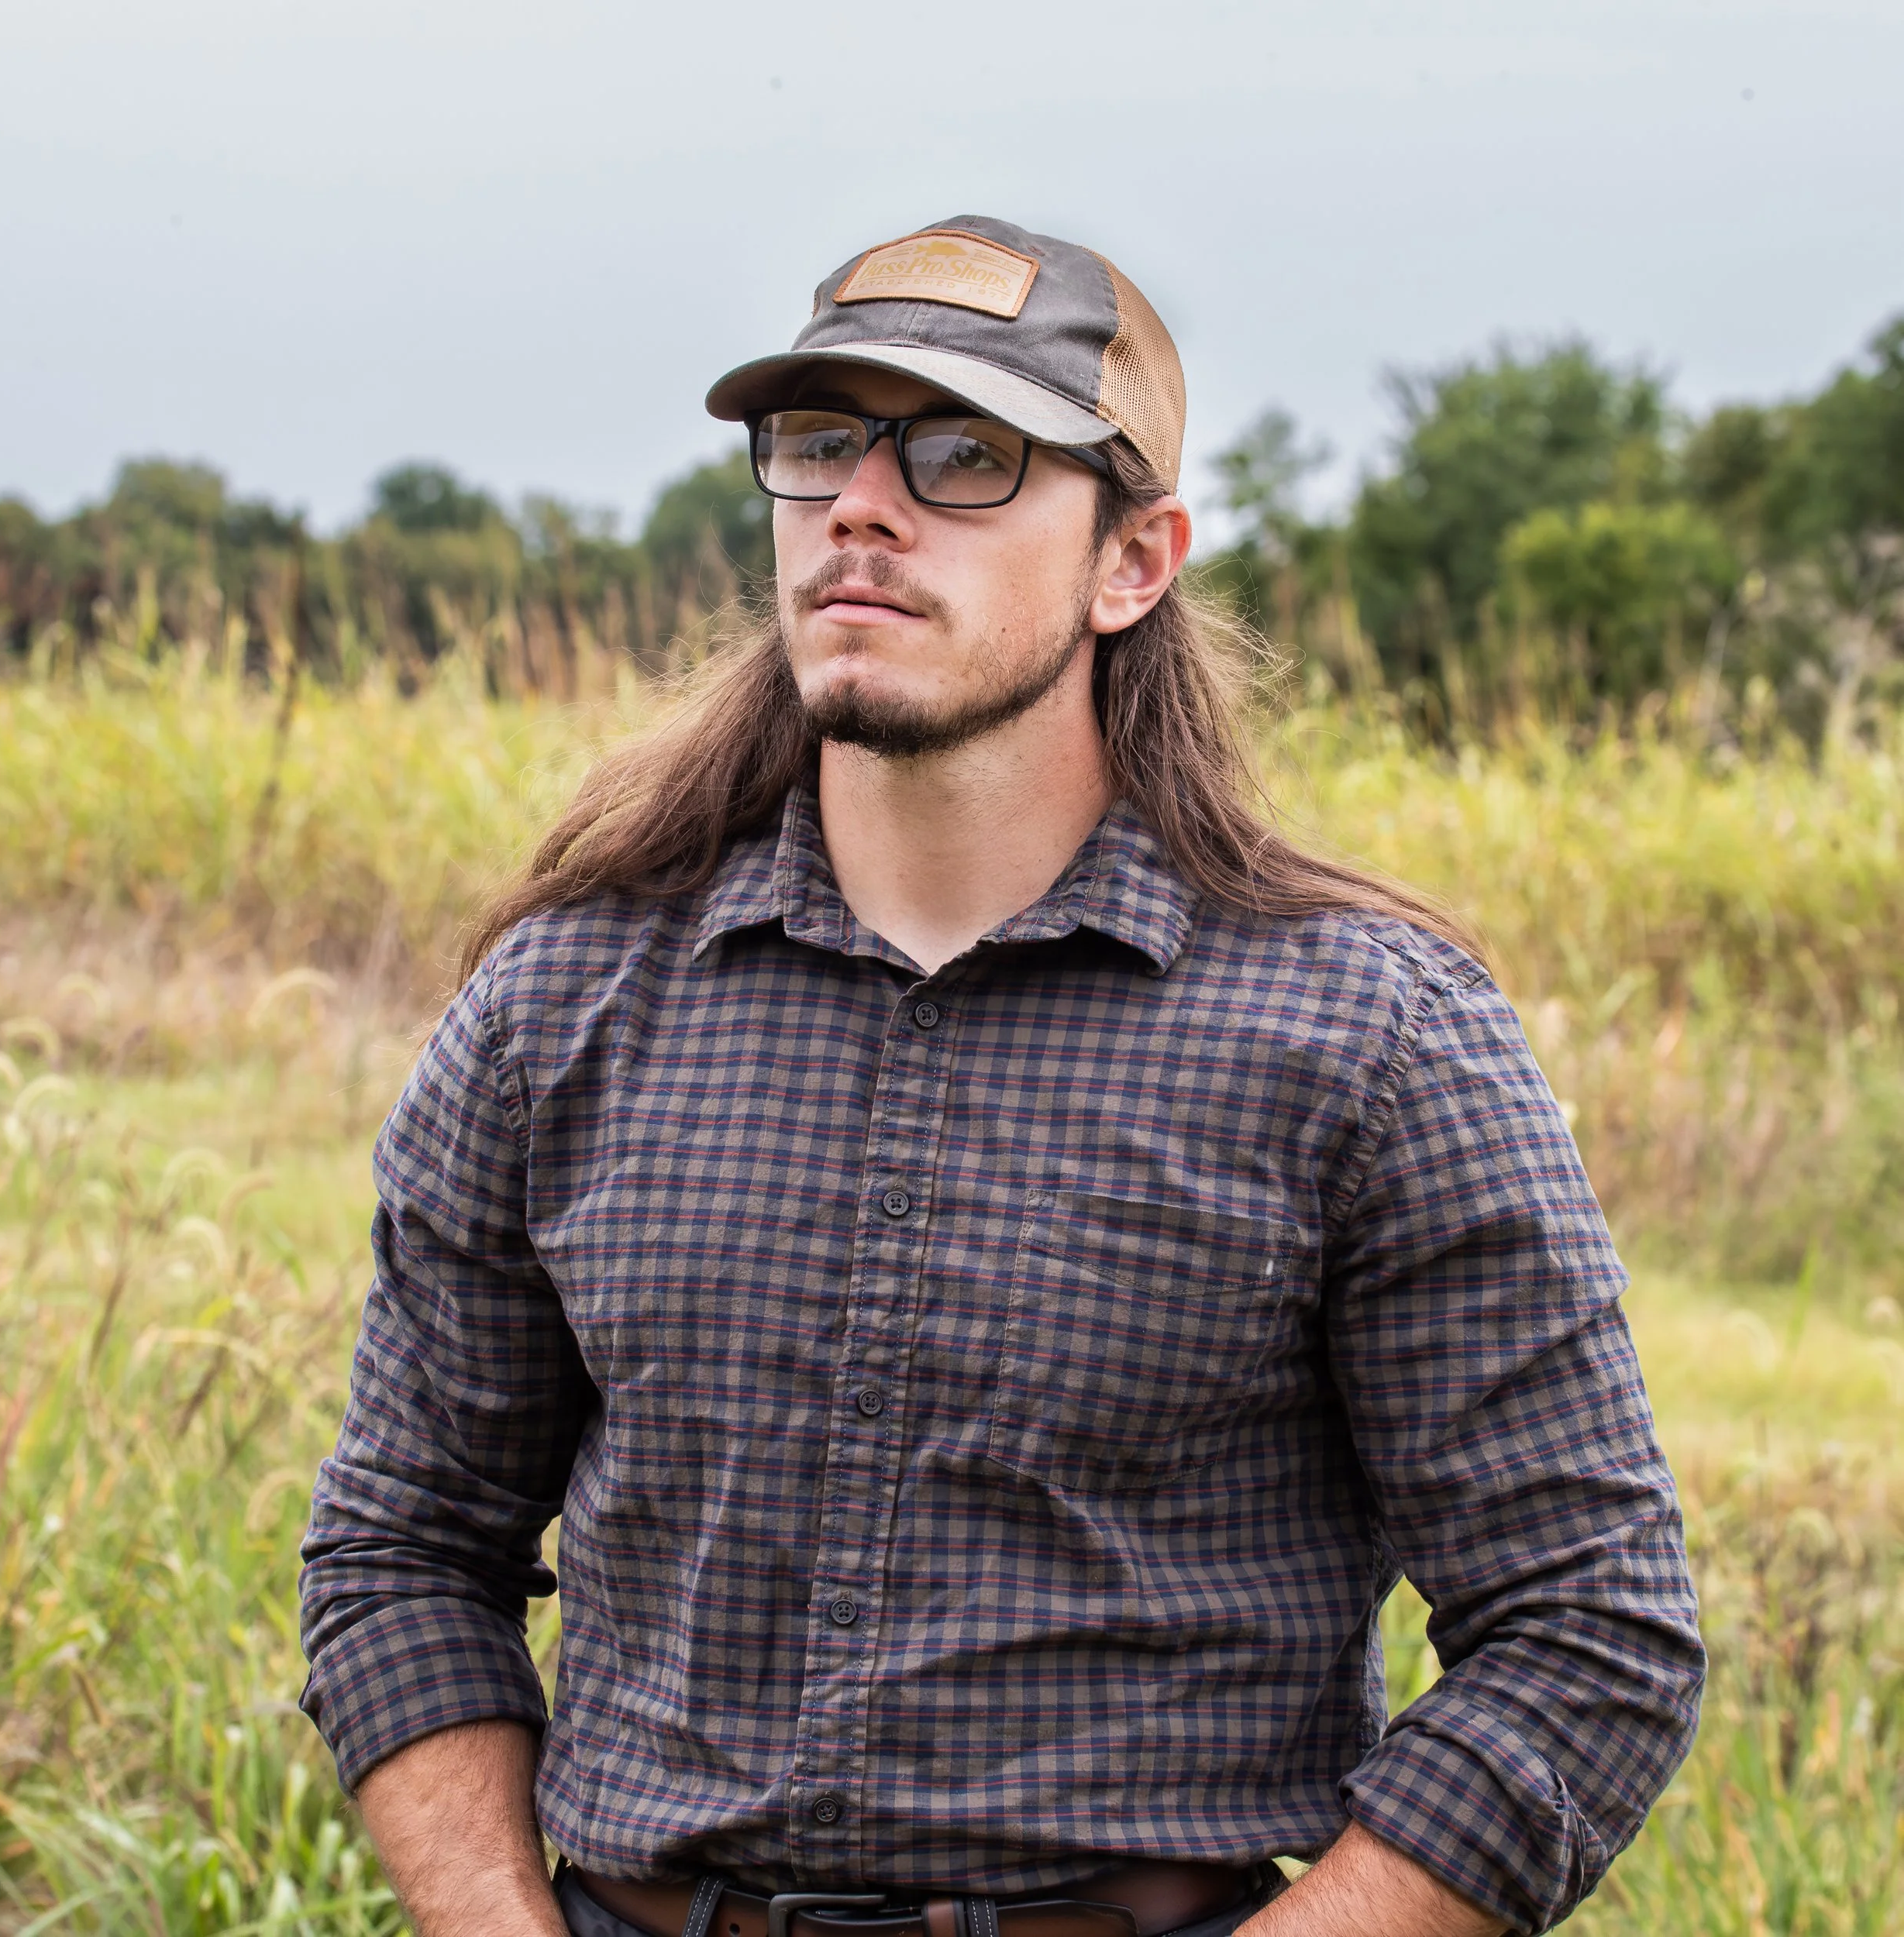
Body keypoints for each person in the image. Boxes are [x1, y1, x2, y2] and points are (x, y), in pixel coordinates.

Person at [299, 215, 1703, 1937]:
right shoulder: (563, 1007)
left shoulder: (1370, 1042)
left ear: (1133, 560)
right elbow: (400, 1550)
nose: (860, 508)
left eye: (964, 454)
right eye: (817, 445)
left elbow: (1588, 1632)